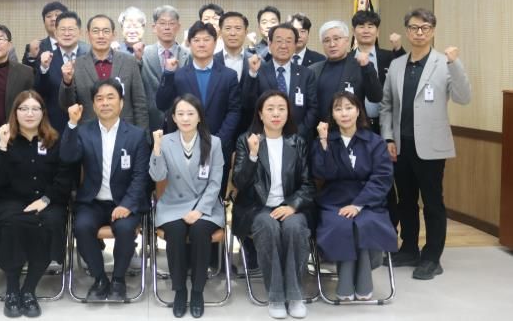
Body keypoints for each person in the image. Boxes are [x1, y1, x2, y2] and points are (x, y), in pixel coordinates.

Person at [380, 8, 471, 280]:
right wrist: (388, 137)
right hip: (401, 146)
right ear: (407, 31)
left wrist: (455, 64)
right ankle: (409, 248)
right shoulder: (397, 65)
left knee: (432, 202)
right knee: (406, 201)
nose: (419, 32)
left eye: (425, 28)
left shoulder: (444, 62)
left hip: (431, 147)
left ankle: (432, 257)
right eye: (414, 27)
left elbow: (464, 97)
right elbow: (387, 105)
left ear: (432, 31)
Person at [0, 90, 73, 318]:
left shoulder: (55, 140)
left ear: (43, 113)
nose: (30, 114)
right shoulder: (3, 140)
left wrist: (45, 200)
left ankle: (29, 289)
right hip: (9, 200)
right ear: (15, 113)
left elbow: (65, 177)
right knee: (12, 224)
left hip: (47, 200)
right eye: (24, 109)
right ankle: (12, 289)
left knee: (49, 223)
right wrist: (3, 146)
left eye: (35, 109)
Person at [60, 79, 150, 301]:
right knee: (82, 227)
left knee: (125, 229)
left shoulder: (136, 135)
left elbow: (140, 176)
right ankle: (100, 279)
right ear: (93, 105)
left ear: (121, 103)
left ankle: (118, 280)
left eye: (111, 97)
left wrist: (127, 205)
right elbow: (68, 157)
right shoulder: (83, 132)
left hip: (124, 201)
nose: (105, 103)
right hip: (92, 201)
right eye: (99, 99)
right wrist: (71, 124)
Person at [233, 91, 315, 319]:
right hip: (256, 207)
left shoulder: (297, 142)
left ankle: (295, 295)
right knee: (268, 227)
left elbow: (308, 185)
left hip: (290, 206)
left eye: (281, 108)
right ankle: (277, 296)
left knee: (294, 227)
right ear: (260, 114)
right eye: (270, 109)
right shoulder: (246, 140)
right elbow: (239, 182)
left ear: (288, 113)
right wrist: (252, 155)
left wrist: (293, 206)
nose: (276, 114)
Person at [312, 92, 397, 301]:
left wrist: (358, 205)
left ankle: (361, 281)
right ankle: (347, 283)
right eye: (338, 109)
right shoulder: (326, 140)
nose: (344, 113)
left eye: (349, 108)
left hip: (368, 201)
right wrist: (323, 143)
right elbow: (322, 173)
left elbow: (382, 177)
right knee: (341, 225)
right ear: (332, 115)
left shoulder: (374, 141)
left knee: (365, 223)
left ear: (358, 111)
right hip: (334, 201)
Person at [149, 94, 224, 318]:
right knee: (175, 232)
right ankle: (180, 290)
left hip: (205, 205)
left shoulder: (214, 142)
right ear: (173, 117)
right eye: (180, 114)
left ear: (199, 117)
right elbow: (158, 176)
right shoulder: (166, 141)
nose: (185, 118)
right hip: (174, 204)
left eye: (190, 113)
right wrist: (157, 148)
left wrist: (199, 210)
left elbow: (215, 183)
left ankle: (198, 290)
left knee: (200, 231)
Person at [156, 21, 241, 197]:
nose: (201, 44)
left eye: (206, 39)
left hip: (219, 145)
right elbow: (162, 104)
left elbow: (234, 111)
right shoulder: (178, 75)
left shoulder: (229, 76)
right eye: (196, 40)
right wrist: (168, 74)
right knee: (183, 196)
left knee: (215, 196)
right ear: (189, 43)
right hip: (184, 146)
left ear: (215, 42)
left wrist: (218, 140)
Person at [351, 10, 400, 228]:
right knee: (360, 178)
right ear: (354, 31)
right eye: (361, 26)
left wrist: (399, 49)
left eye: (371, 26)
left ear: (377, 31)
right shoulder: (347, 59)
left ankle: (390, 227)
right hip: (357, 128)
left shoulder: (390, 57)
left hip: (385, 128)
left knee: (387, 180)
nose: (366, 30)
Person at [58, 14, 148, 130]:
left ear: (113, 34)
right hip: (89, 133)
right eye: (95, 31)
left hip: (125, 131)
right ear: (88, 34)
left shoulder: (129, 61)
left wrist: (143, 135)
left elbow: (140, 104)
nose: (101, 36)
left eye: (106, 31)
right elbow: (67, 106)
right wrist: (67, 82)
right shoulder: (77, 65)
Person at [243, 23, 318, 141]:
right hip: (264, 138)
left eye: (288, 41)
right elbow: (248, 104)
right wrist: (252, 73)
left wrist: (298, 135)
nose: (283, 46)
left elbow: (313, 108)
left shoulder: (307, 74)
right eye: (279, 41)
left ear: (295, 45)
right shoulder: (258, 70)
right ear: (270, 44)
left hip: (298, 139)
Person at [309, 20, 382, 121]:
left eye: (336, 39)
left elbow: (376, 97)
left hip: (354, 128)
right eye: (326, 40)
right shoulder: (313, 70)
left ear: (347, 41)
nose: (332, 44)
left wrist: (366, 68)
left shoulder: (360, 66)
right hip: (323, 128)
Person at [36, 11, 90, 133]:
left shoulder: (90, 58)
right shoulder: (46, 59)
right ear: (55, 33)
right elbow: (39, 93)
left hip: (86, 126)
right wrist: (44, 68)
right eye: (62, 29)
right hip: (55, 126)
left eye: (71, 29)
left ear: (80, 32)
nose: (66, 33)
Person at [141, 5, 190, 131]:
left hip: (181, 122)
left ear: (178, 27)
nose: (167, 27)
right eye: (162, 23)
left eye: (171, 23)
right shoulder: (143, 54)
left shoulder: (188, 55)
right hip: (151, 121)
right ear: (154, 27)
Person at [214, 11, 255, 137]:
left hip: (249, 130)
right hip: (218, 130)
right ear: (220, 32)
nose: (233, 33)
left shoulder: (257, 62)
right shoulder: (211, 62)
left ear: (246, 32)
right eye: (228, 28)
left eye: (238, 28)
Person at [22, 1, 68, 66]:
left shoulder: (79, 47)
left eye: (57, 15)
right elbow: (26, 72)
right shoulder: (34, 48)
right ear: (44, 22)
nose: (53, 19)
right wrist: (32, 56)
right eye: (49, 16)